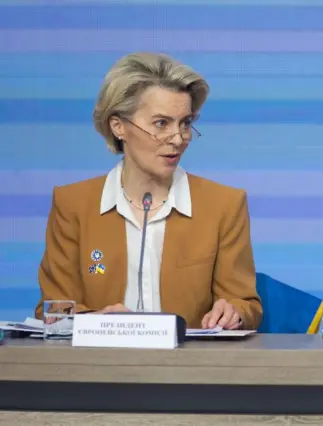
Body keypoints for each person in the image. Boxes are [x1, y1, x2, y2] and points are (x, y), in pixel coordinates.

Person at [35, 52, 262, 330]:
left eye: (186, 123)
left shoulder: (224, 205)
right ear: (118, 126)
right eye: (161, 124)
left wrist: (234, 312)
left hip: (189, 368)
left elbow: (244, 303)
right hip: (100, 365)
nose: (178, 139)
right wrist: (97, 322)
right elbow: (55, 307)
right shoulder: (73, 204)